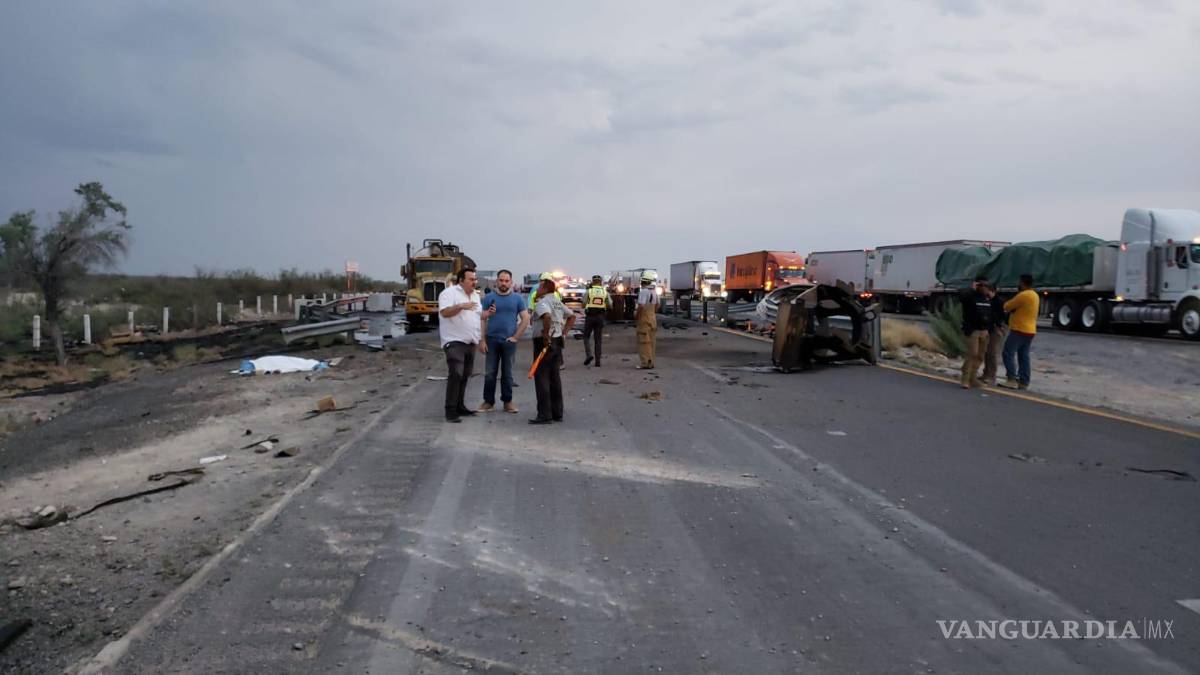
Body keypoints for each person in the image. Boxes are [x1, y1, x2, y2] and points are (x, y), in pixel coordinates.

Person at [478, 270, 529, 413]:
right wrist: (482, 340)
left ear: (511, 282)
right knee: (490, 373)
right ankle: (488, 402)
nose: (504, 283)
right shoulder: (488, 298)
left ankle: (507, 402)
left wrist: (516, 337)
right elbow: (483, 319)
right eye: (501, 280)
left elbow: (525, 319)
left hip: (509, 342)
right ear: (496, 282)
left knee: (508, 373)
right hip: (491, 340)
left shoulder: (517, 299)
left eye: (507, 281)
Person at [438, 268, 483, 423]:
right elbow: (444, 312)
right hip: (454, 341)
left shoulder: (476, 296)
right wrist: (460, 306)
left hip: (470, 342)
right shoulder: (449, 293)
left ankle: (459, 406)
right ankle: (450, 410)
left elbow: (476, 317)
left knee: (465, 375)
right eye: (471, 279)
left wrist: (487, 316)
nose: (474, 282)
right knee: (456, 374)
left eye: (475, 279)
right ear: (461, 280)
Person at [530, 277, 575, 424]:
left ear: (545, 289)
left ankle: (544, 414)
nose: (537, 290)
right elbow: (572, 316)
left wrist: (545, 334)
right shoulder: (557, 302)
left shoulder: (542, 302)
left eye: (539, 287)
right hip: (557, 342)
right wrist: (564, 333)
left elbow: (547, 317)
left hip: (544, 343)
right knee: (555, 378)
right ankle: (557, 413)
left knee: (542, 378)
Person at [1001, 274, 1040, 390]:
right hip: (1030, 330)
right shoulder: (1035, 295)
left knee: (1008, 353)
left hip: (1019, 329)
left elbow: (1007, 306)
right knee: (1024, 356)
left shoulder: (1023, 295)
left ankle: (1011, 379)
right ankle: (1024, 381)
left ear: (1022, 283)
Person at [958, 275, 993, 389]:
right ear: (976, 284)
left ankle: (973, 378)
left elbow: (994, 312)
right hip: (972, 330)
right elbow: (962, 298)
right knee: (972, 353)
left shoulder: (987, 298)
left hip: (984, 330)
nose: (984, 287)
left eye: (986, 285)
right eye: (981, 285)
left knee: (980, 356)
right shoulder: (970, 296)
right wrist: (972, 289)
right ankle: (965, 379)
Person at [981, 282, 1007, 386]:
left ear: (992, 291)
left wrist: (1000, 327)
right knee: (986, 352)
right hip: (988, 328)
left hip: (996, 328)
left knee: (991, 352)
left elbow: (1002, 317)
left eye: (987, 291)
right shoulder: (988, 300)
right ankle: (986, 373)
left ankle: (992, 376)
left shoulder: (999, 302)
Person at [582, 274, 611, 367]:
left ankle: (589, 354)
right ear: (601, 281)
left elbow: (583, 304)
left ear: (593, 281)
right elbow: (610, 304)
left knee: (586, 336)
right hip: (600, 317)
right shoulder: (604, 292)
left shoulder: (589, 291)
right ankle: (598, 361)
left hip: (590, 316)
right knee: (598, 339)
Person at [635, 270, 659, 369]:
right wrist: (652, 313)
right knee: (652, 342)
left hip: (644, 319)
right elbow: (658, 305)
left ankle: (645, 363)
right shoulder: (654, 292)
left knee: (643, 342)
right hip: (653, 318)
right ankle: (651, 362)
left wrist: (637, 316)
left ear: (642, 281)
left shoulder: (644, 292)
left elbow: (641, 306)